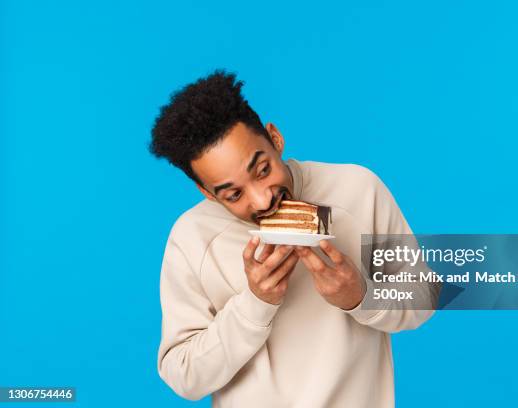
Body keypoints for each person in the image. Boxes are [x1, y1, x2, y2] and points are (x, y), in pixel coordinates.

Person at [149, 69, 438, 407]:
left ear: (275, 139)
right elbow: (183, 375)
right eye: (233, 195)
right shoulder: (191, 238)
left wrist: (361, 295)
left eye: (263, 170)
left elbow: (425, 295)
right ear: (207, 193)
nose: (261, 200)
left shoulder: (357, 188)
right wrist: (254, 304)